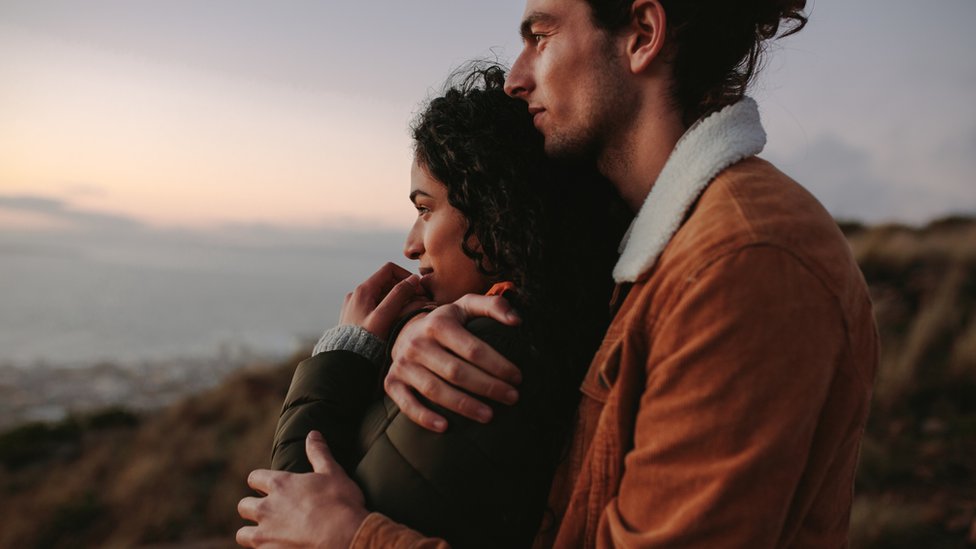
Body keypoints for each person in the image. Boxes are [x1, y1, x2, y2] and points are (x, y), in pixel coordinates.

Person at [238, 0, 880, 547]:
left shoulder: (743, 263)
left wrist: (353, 538)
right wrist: (422, 327)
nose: (517, 77)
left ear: (642, 36)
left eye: (541, 35)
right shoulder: (654, 251)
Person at [240, 65, 628, 548]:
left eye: (425, 209)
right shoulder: (552, 324)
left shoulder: (483, 351)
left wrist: (345, 352)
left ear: (495, 211)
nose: (410, 244)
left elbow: (289, 515)